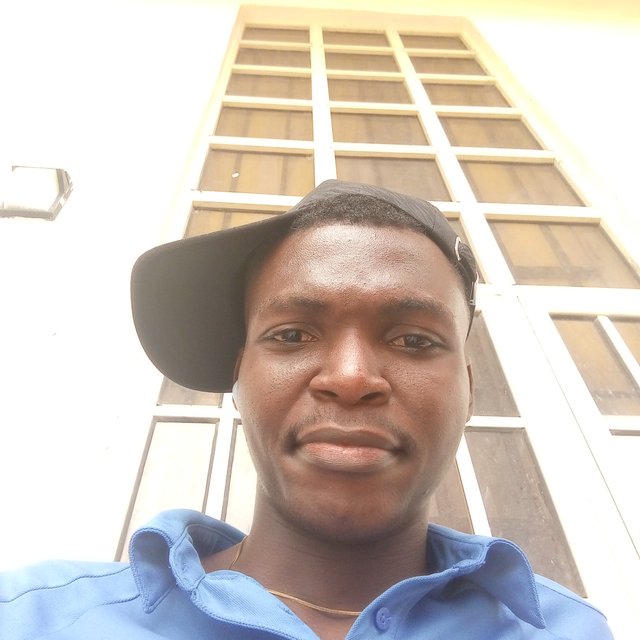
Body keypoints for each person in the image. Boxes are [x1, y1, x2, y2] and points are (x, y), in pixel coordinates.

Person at [0, 180, 613, 639]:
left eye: (413, 341)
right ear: (239, 374)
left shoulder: (570, 632)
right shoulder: (34, 617)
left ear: (469, 389)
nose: (350, 379)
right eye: (292, 335)